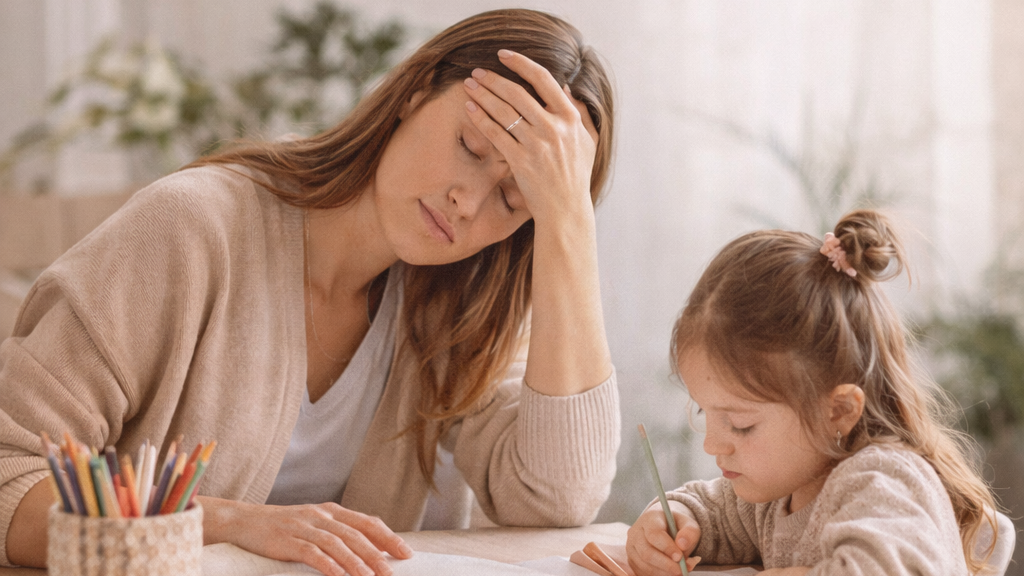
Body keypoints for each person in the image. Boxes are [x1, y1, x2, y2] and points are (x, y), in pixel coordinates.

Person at [0, 9, 621, 576]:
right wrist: (225, 523)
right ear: (413, 91)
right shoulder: (189, 230)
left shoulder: (463, 306)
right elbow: (11, 476)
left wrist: (569, 225)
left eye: (516, 199)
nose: (469, 201)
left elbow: (556, 497)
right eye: (471, 146)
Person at [625, 210, 1000, 576]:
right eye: (706, 413)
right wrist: (669, 523)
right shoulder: (776, 490)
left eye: (739, 424)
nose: (712, 444)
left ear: (837, 411)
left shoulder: (883, 480)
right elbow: (711, 511)